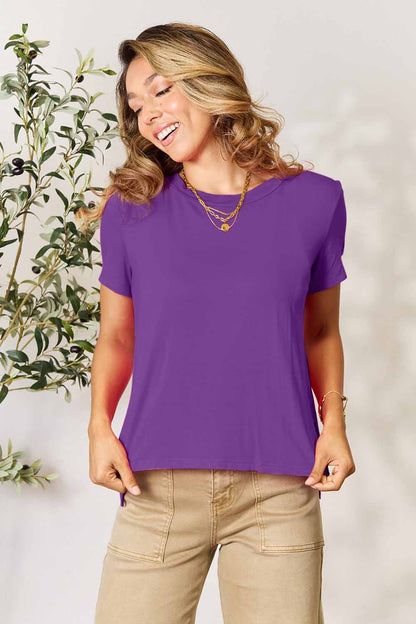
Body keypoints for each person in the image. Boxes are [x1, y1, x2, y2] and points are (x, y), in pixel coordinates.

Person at [84, 22, 356, 624]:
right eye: (137, 106)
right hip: (156, 487)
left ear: (208, 81)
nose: (149, 115)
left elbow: (319, 331)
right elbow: (118, 336)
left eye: (161, 90)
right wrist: (99, 426)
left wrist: (334, 423)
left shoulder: (316, 202)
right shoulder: (131, 211)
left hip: (278, 490)